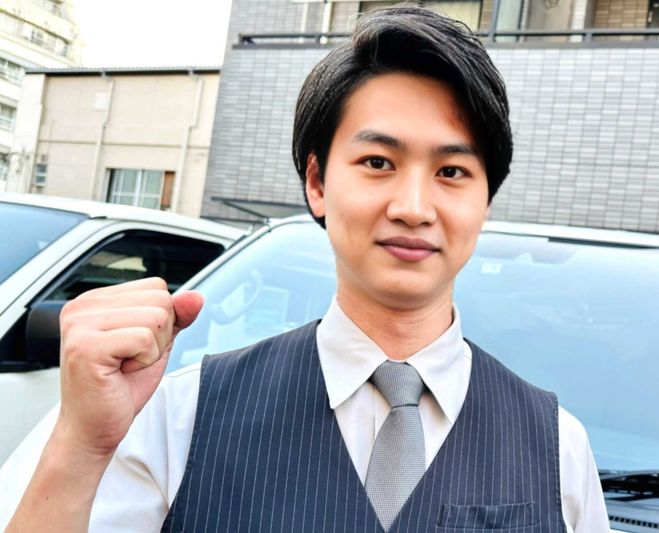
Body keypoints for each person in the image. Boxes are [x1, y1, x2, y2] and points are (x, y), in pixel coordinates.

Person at [1, 6, 609, 532]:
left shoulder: (558, 449)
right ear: (317, 182)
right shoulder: (177, 416)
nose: (413, 208)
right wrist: (81, 442)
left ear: (485, 200)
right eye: (378, 162)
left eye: (452, 172)